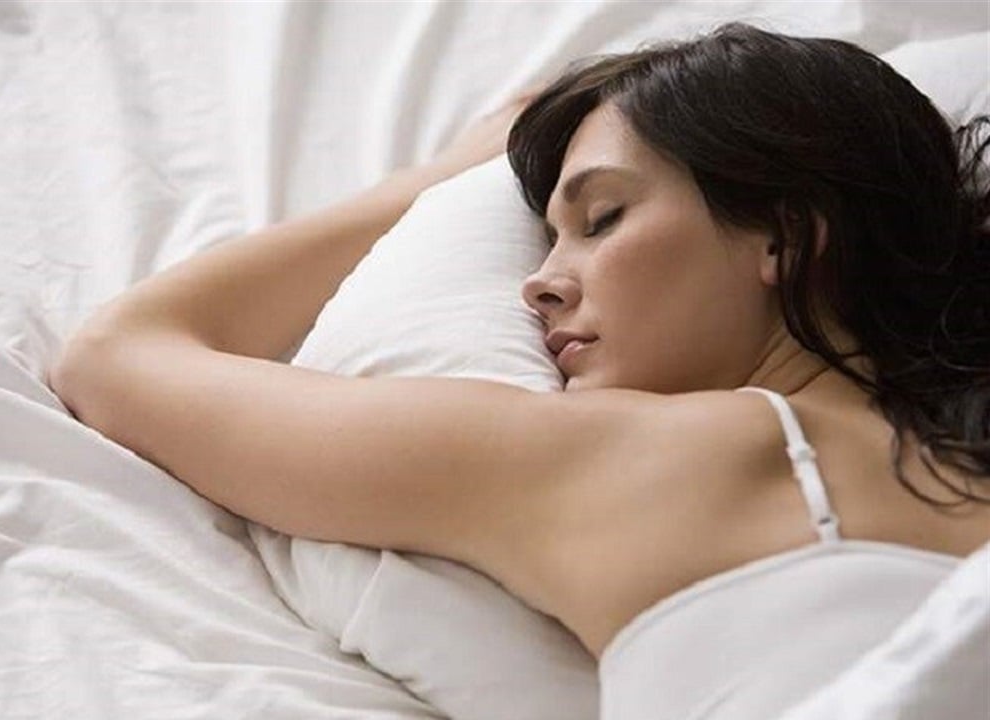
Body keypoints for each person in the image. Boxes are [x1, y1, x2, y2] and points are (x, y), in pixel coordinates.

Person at [51, 23, 989, 716]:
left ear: (785, 235)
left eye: (602, 218)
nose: (538, 284)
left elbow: (119, 356)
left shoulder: (634, 460)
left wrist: (442, 176)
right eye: (546, 238)